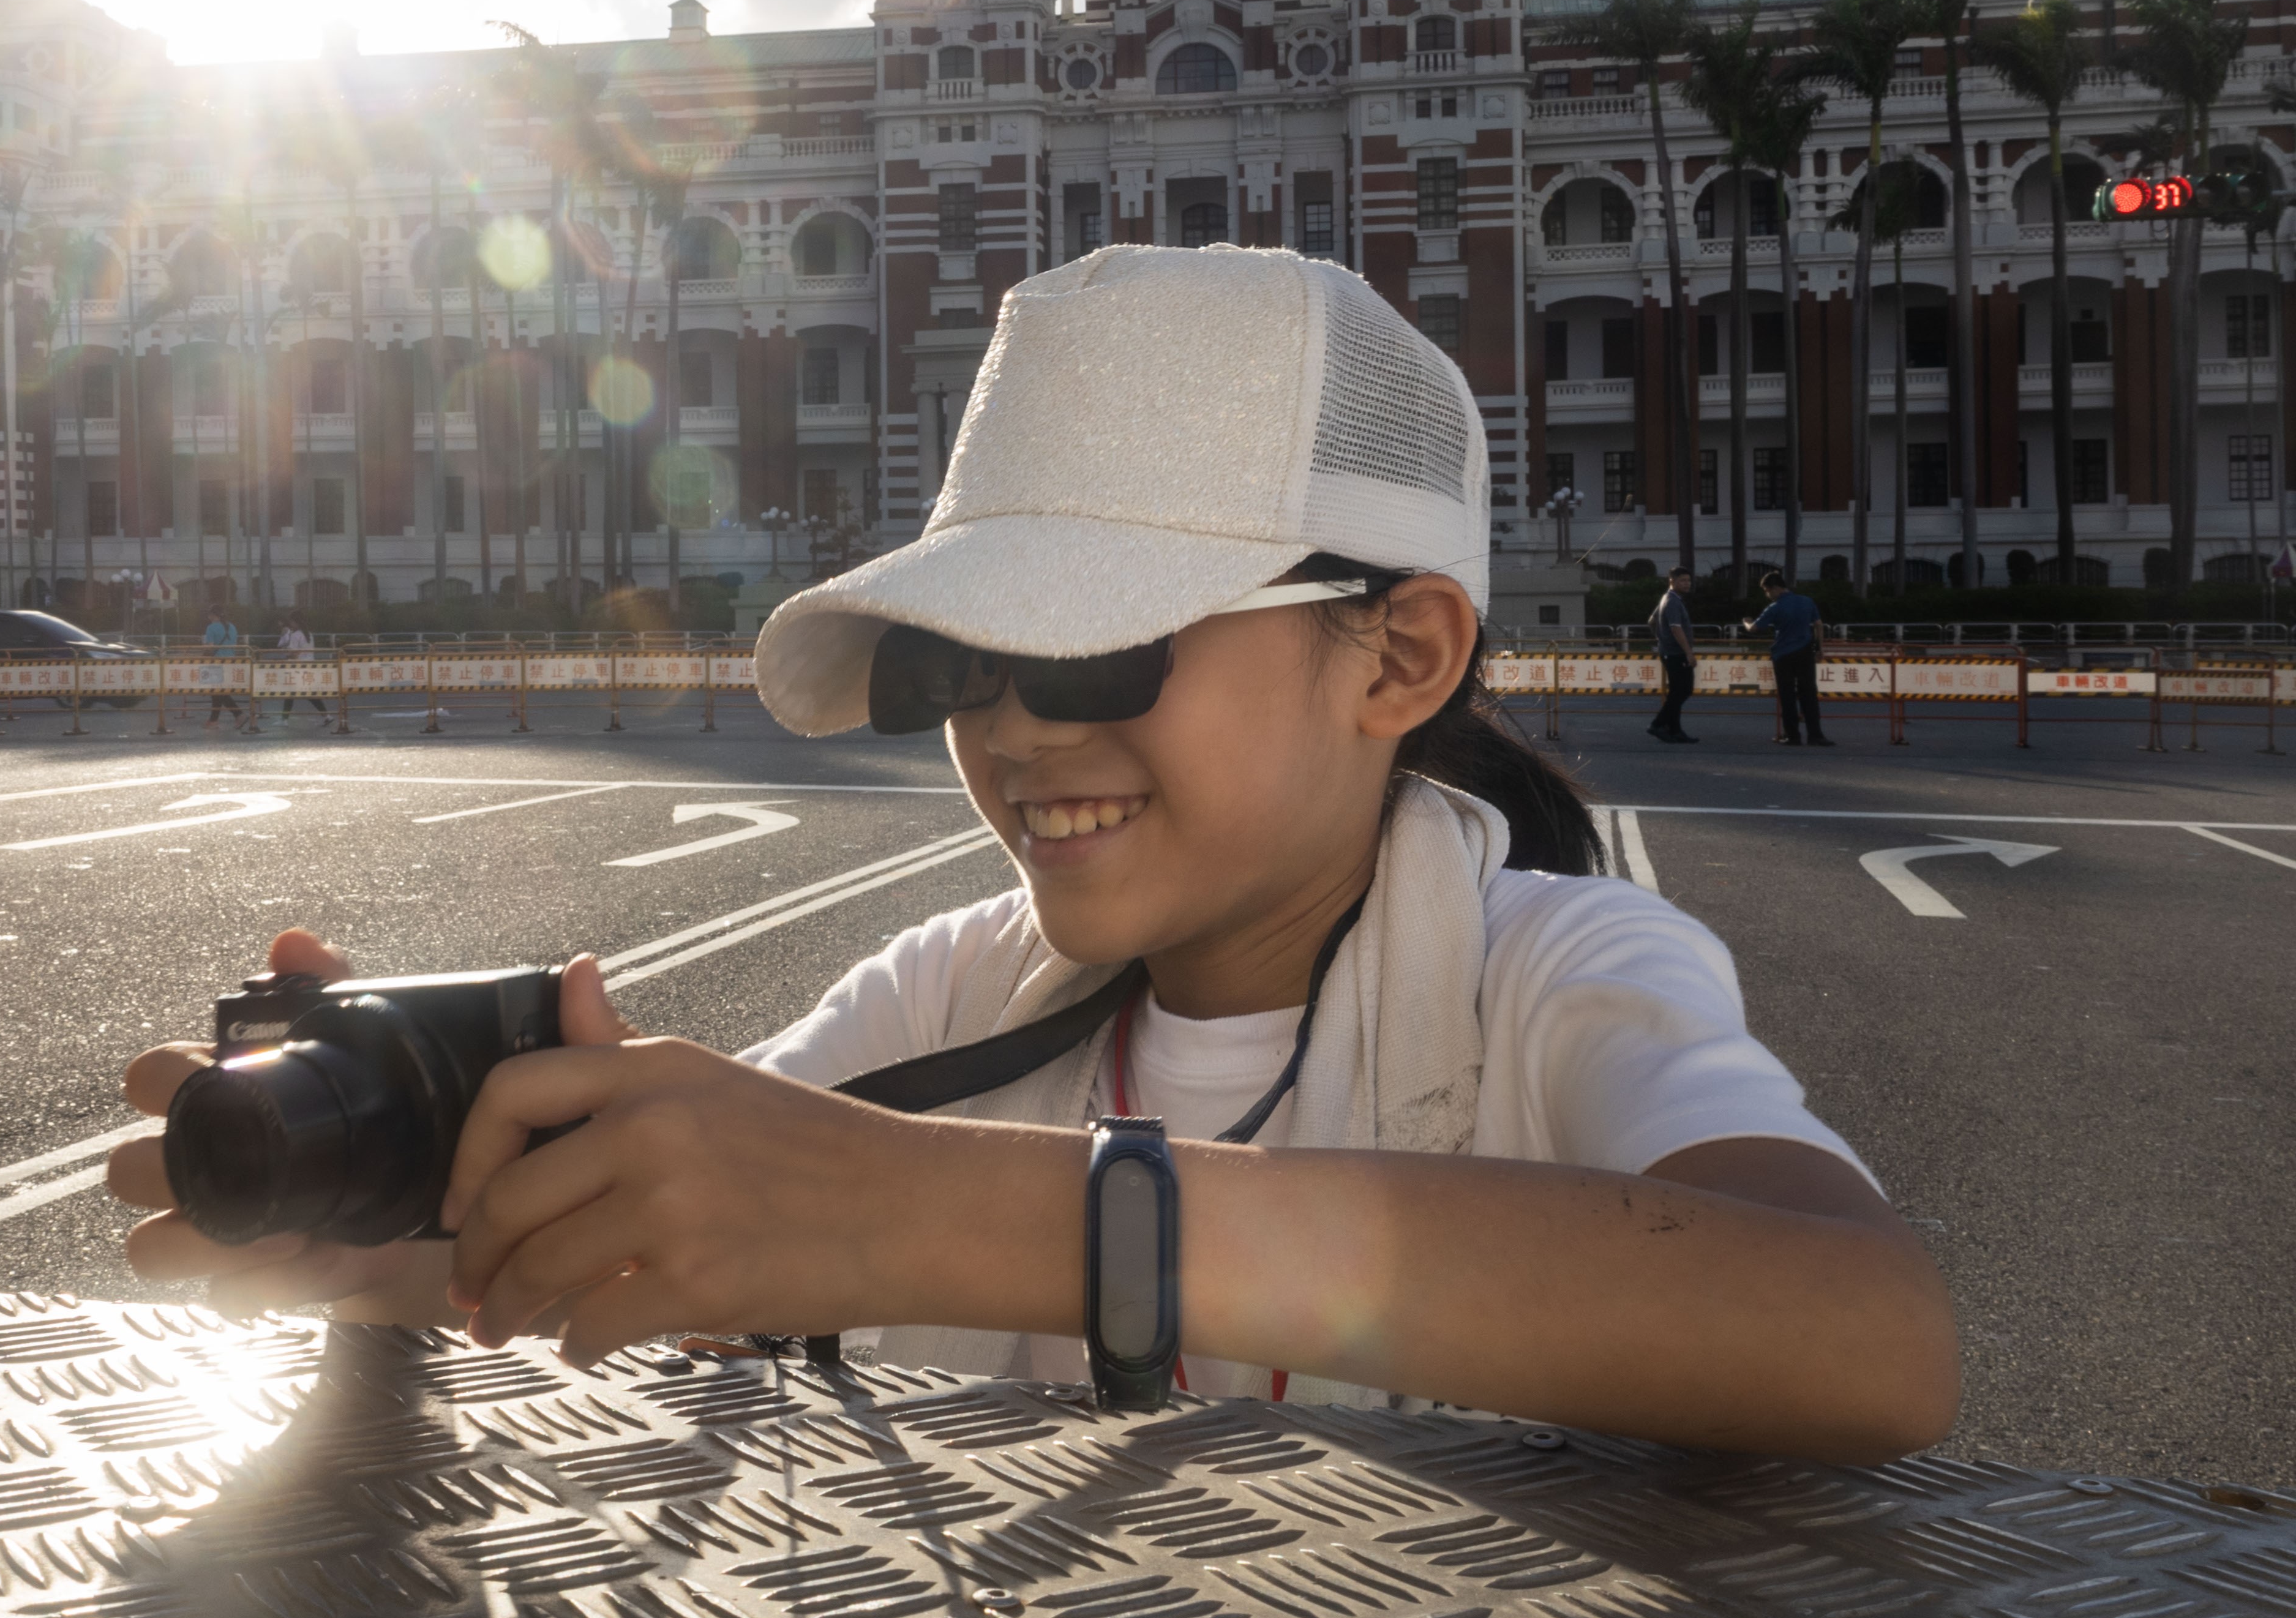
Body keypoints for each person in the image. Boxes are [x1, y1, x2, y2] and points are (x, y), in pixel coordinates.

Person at [110, 247, 1954, 1463]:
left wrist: (939, 1213)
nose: (1011, 729)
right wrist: (395, 1226)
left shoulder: (1552, 973)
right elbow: (681, 1251)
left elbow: (1866, 1336)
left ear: (1398, 656)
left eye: (1092, 648)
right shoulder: (955, 991)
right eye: (957, 663)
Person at [1751, 570, 1832, 747]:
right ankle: (1816, 735)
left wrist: (1746, 623)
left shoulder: (1775, 607)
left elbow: (1755, 628)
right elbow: (1818, 625)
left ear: (1775, 588)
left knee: (1787, 695)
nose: (1767, 595)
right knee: (1809, 694)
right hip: (1805, 652)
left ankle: (1793, 736)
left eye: (1767, 591)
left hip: (1783, 655)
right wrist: (1820, 649)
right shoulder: (1807, 601)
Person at [1647, 566, 1698, 743]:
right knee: (1684, 690)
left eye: (1689, 580)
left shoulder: (1667, 599)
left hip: (1670, 652)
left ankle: (1675, 730)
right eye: (1682, 580)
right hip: (1676, 654)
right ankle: (1657, 724)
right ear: (1672, 581)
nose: (1687, 584)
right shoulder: (1673, 602)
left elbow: (1652, 621)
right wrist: (1688, 653)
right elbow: (1676, 628)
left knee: (1677, 691)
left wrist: (1661, 638)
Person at [276, 612, 326, 721]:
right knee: (307, 694)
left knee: (291, 693)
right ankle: (327, 716)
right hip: (310, 667)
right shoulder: (310, 635)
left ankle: (284, 720)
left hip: (298, 668)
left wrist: (285, 653)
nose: (290, 624)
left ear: (296, 622)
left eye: (292, 622)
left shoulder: (296, 635)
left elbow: (293, 654)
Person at [200, 605, 244, 725]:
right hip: (231, 662)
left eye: (209, 614)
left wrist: (203, 649)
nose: (208, 617)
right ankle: (214, 720)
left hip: (217, 663)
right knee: (218, 691)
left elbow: (210, 647)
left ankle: (239, 715)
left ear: (213, 615)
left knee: (218, 691)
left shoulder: (211, 628)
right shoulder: (232, 627)